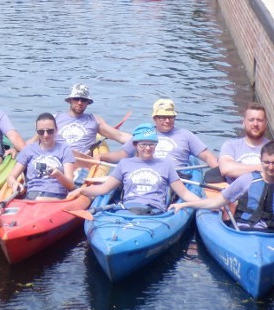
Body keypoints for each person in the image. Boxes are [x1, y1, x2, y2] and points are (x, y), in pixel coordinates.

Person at [71, 123, 200, 214]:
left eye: (151, 144)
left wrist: (208, 204)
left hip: (154, 213)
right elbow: (104, 189)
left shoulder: (166, 165)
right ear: (135, 145)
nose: (148, 148)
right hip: (126, 210)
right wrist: (82, 191)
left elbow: (184, 193)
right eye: (143, 144)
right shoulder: (124, 164)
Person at [169, 142, 274, 231]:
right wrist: (184, 205)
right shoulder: (247, 179)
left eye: (273, 162)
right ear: (261, 161)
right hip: (244, 230)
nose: (271, 167)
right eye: (267, 162)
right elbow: (215, 202)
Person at [104, 99, 218, 168]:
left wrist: (220, 174)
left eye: (170, 117)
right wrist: (101, 157)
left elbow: (207, 156)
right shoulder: (143, 134)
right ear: (155, 118)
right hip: (145, 173)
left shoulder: (186, 135)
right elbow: (122, 155)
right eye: (163, 117)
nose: (167, 121)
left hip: (175, 177)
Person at [6, 113, 76, 200]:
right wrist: (14, 183)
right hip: (32, 194)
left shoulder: (64, 150)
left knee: (40, 200)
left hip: (57, 196)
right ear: (37, 132)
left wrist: (58, 175)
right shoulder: (28, 150)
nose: (45, 135)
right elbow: (11, 177)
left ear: (56, 130)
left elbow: (70, 185)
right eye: (41, 132)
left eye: (50, 131)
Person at [53, 84, 131, 159]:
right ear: (70, 100)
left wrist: (140, 140)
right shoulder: (54, 119)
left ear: (88, 102)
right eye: (76, 99)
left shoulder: (94, 120)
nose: (80, 103)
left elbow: (119, 136)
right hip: (58, 159)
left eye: (84, 100)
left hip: (81, 163)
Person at [217, 103, 270, 183]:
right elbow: (226, 169)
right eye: (251, 120)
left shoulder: (272, 147)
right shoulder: (231, 145)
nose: (255, 124)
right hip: (235, 193)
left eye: (259, 120)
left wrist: (239, 169)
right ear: (244, 122)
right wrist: (263, 168)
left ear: (265, 124)